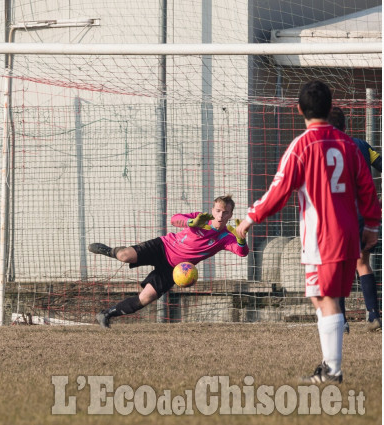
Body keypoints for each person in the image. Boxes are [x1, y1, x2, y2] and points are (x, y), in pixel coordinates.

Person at [236, 81, 381, 384]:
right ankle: (331, 363)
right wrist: (370, 226)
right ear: (330, 108)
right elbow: (368, 188)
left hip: (321, 237)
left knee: (324, 298)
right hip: (347, 233)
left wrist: (250, 218)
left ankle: (333, 370)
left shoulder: (301, 145)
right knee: (325, 298)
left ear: (299, 109)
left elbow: (278, 191)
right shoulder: (348, 145)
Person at [90, 195, 249, 329]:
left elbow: (242, 253)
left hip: (174, 269)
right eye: (218, 211)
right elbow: (175, 219)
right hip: (164, 246)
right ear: (213, 210)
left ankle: (106, 314)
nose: (220, 215)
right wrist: (191, 222)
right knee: (125, 256)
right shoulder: (201, 218)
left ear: (230, 215)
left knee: (146, 298)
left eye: (225, 212)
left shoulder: (227, 236)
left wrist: (241, 239)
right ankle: (108, 250)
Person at [327, 106, 382, 333]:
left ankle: (342, 322)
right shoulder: (362, 145)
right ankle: (373, 315)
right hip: (364, 215)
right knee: (362, 263)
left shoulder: (324, 150)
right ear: (345, 126)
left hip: (338, 216)